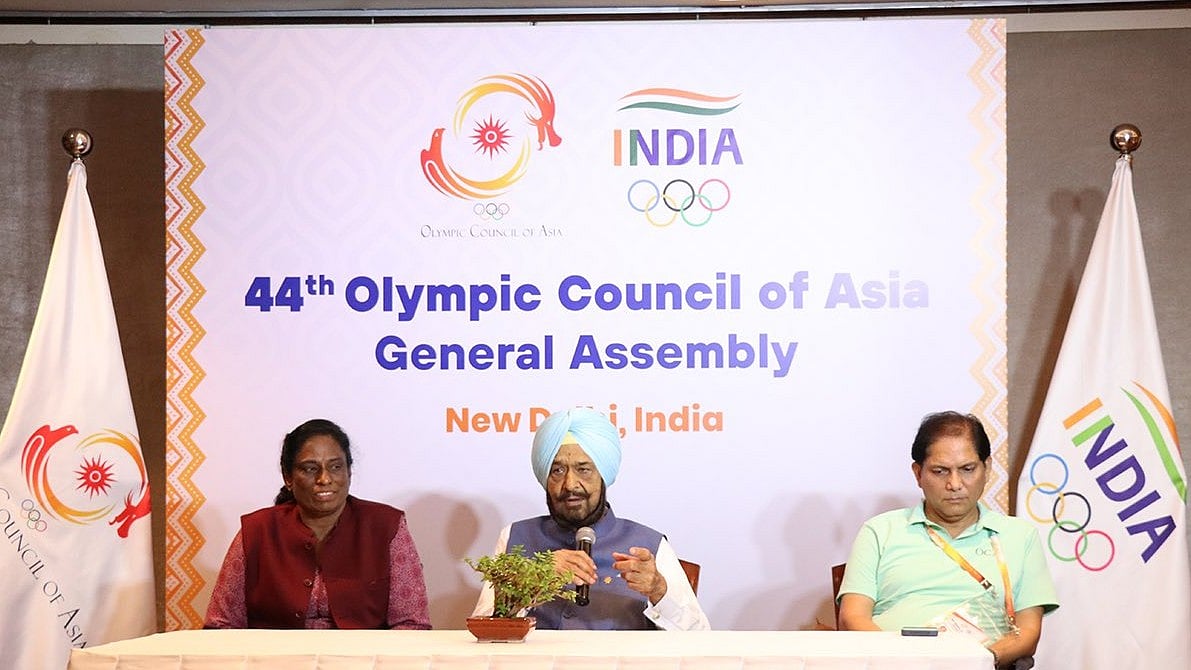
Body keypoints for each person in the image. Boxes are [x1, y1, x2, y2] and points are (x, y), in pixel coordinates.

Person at [837, 411, 1058, 669]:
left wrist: (980, 661)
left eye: (967, 469)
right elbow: (852, 618)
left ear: (987, 468)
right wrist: (901, 662)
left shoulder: (1020, 536)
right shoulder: (879, 531)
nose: (955, 484)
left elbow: (1028, 633)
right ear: (918, 473)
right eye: (940, 471)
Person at [471, 407, 709, 630]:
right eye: (557, 470)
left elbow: (698, 636)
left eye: (583, 469)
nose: (570, 484)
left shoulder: (650, 544)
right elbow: (484, 628)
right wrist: (532, 580)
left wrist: (659, 590)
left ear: (603, 475)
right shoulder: (516, 536)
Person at [204, 418, 431, 629]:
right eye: (310, 468)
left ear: (349, 472)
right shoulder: (257, 531)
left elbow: (411, 625)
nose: (324, 479)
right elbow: (221, 624)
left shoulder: (387, 526)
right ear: (288, 477)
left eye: (335, 466)